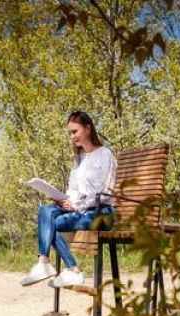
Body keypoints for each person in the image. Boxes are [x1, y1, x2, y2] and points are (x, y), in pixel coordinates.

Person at [20, 111, 116, 287]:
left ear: (88, 129)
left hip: (101, 213)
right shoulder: (79, 158)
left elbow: (103, 192)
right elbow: (73, 189)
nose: (72, 137)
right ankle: (44, 263)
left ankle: (72, 270)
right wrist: (64, 200)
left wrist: (75, 205)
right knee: (46, 211)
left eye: (75, 131)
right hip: (81, 211)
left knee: (51, 223)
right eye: (70, 133)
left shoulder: (105, 154)